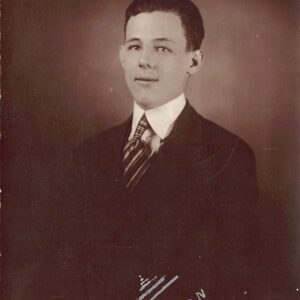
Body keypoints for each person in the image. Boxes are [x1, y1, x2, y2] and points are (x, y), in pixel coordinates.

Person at [49, 0, 260, 299]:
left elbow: (232, 278)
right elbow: (64, 267)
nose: (144, 61)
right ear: (122, 56)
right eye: (135, 46)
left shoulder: (229, 156)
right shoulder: (88, 154)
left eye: (162, 48)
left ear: (194, 61)